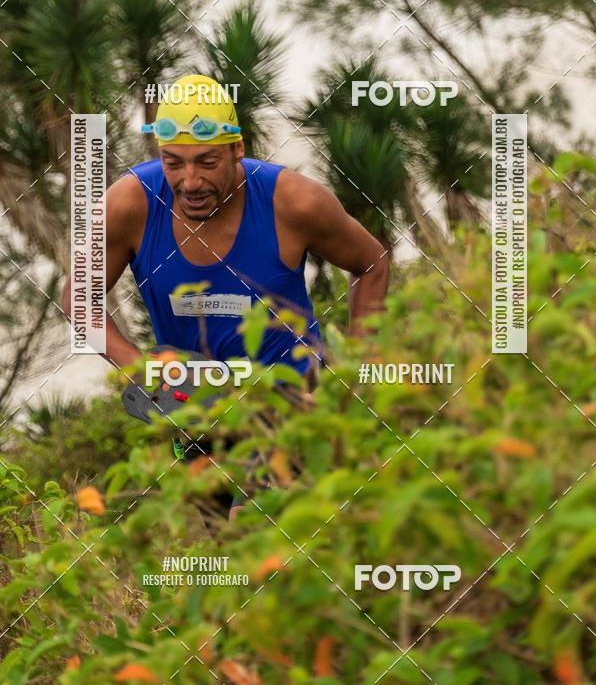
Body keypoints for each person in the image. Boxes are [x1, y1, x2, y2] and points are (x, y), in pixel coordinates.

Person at [62, 74, 390, 516]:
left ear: (238, 149)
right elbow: (77, 296)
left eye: (207, 162)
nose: (190, 181)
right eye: (173, 162)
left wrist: (358, 371)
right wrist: (143, 368)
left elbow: (371, 262)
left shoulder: (293, 202)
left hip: (295, 400)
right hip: (197, 415)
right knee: (234, 559)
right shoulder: (131, 205)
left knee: (270, 528)